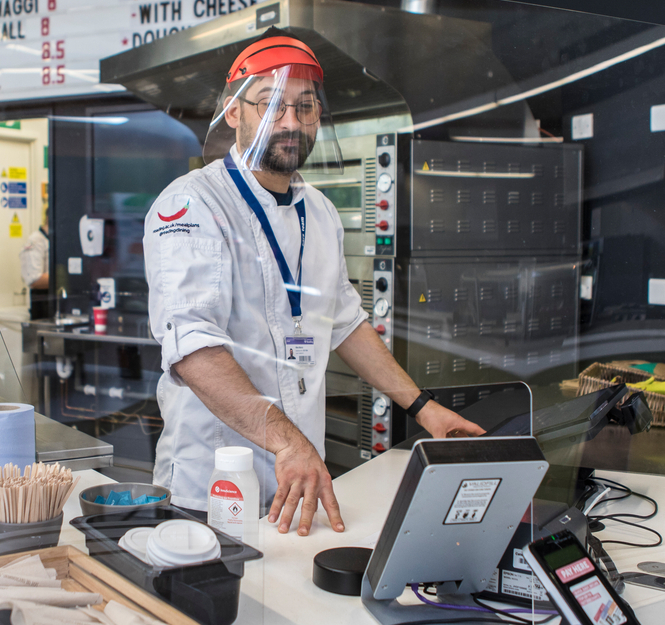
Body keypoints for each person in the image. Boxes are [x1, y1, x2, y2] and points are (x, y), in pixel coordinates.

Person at [143, 35, 483, 537]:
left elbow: (345, 322)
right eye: (271, 105)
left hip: (299, 479)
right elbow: (193, 347)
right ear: (234, 113)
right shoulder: (193, 205)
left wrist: (423, 408)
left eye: (305, 107)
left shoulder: (319, 212)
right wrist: (288, 442)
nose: (290, 122)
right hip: (213, 485)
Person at [19, 207, 50, 319]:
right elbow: (34, 280)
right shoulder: (36, 241)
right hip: (42, 306)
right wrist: (64, 278)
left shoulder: (56, 239)